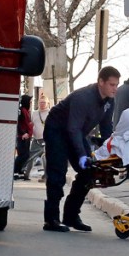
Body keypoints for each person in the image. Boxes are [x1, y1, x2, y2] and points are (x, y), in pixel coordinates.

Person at [42, 67, 119, 232]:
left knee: (89, 172)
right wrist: (82, 155)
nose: (115, 89)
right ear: (101, 82)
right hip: (57, 130)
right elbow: (73, 128)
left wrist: (110, 151)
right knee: (57, 172)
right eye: (112, 85)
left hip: (77, 132)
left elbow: (106, 127)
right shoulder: (83, 97)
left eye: (116, 85)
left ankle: (71, 216)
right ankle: (51, 219)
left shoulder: (109, 101)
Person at [13, 94, 34, 177]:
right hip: (22, 136)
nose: (31, 103)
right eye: (30, 102)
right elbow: (18, 124)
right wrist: (23, 133)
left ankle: (19, 170)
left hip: (27, 136)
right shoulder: (22, 111)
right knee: (22, 155)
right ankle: (15, 171)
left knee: (26, 155)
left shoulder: (26, 111)